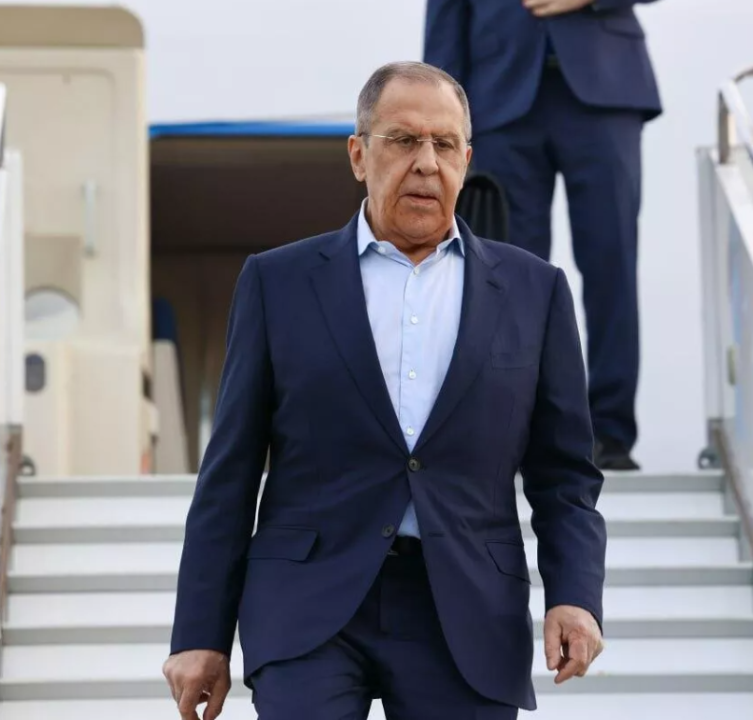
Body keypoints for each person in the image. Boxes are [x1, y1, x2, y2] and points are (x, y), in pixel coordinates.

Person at [162, 61, 608, 720]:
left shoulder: (534, 291)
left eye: (445, 144)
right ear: (357, 155)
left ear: (466, 161)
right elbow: (229, 471)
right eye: (403, 140)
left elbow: (564, 474)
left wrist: (574, 595)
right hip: (307, 601)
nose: (426, 162)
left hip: (466, 609)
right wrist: (200, 632)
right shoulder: (277, 283)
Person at [424, 0, 664, 470]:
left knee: (612, 264)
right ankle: (514, 431)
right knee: (507, 279)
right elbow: (447, 18)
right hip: (497, 100)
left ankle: (610, 432)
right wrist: (439, 119)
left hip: (607, 90)